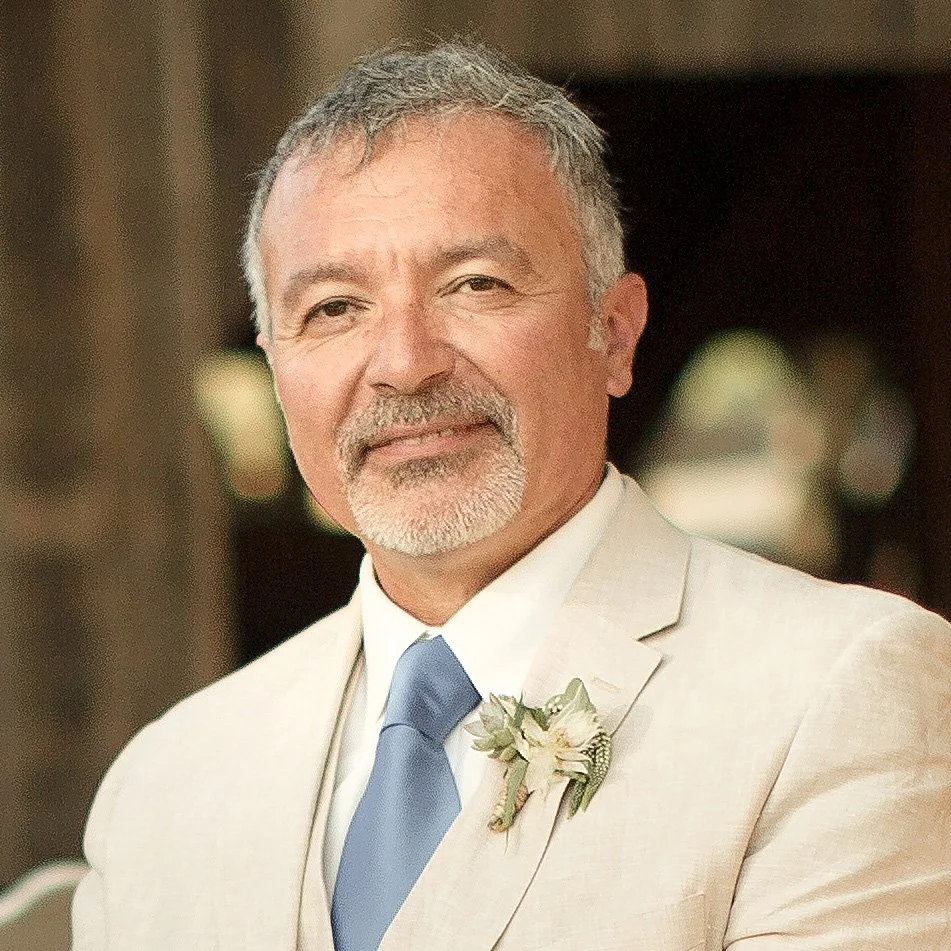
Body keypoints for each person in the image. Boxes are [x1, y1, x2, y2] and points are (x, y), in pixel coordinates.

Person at [72, 41, 951, 951]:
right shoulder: (164, 787)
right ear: (275, 366)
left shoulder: (841, 693)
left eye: (474, 285)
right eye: (333, 307)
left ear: (614, 333)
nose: (405, 363)